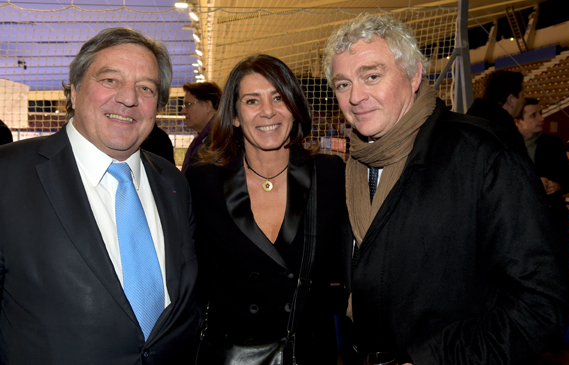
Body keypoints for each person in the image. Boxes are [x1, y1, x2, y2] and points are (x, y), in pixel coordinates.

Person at [323, 13, 569, 364]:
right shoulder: (354, 168)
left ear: (414, 75)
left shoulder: (483, 154)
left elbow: (542, 300)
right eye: (343, 84)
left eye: (372, 76)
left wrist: (433, 359)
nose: (356, 97)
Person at [0, 27, 198, 364]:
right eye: (110, 80)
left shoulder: (173, 184)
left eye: (146, 88)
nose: (128, 98)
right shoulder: (7, 175)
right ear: (74, 91)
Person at [186, 54, 346, 364]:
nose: (268, 111)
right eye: (251, 101)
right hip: (230, 354)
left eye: (278, 98)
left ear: (295, 107)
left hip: (307, 353)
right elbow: (193, 276)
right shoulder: (203, 181)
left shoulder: (330, 175)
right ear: (234, 115)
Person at [515, 98, 569, 266]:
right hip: (522, 227)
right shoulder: (508, 147)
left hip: (554, 225)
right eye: (534, 115)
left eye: (541, 113)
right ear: (518, 122)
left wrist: (557, 185)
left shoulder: (553, 143)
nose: (541, 118)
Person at [467, 70, 526, 152]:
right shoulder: (508, 135)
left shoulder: (468, 122)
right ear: (511, 99)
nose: (524, 101)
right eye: (522, 95)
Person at [180, 81, 221, 173]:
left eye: (188, 105)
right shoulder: (204, 140)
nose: (183, 111)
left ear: (208, 106)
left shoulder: (221, 143)